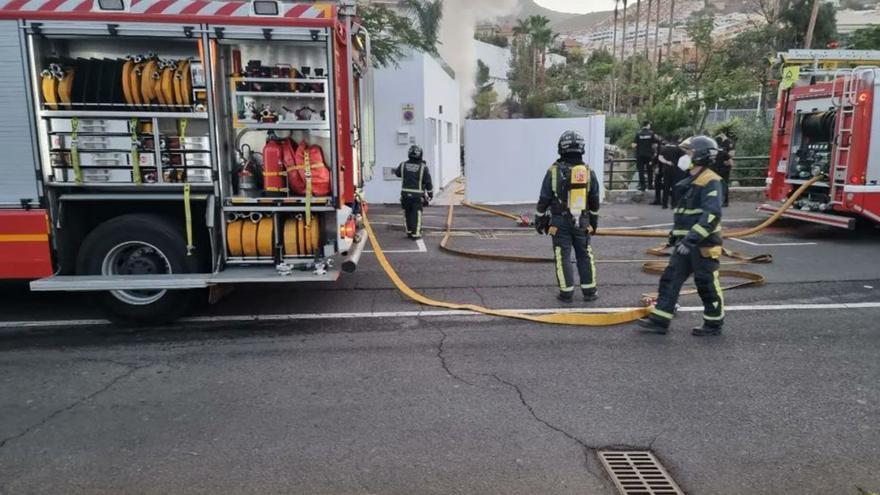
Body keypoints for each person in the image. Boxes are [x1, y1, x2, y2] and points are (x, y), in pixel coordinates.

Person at [637, 136, 726, 336]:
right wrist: (675, 237)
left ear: (701, 156)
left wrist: (691, 239)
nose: (685, 157)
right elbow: (686, 216)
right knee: (670, 279)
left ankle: (713, 323)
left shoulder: (711, 181)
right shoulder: (693, 181)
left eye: (689, 153)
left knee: (706, 283)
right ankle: (660, 320)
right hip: (685, 244)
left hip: (702, 245)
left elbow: (711, 215)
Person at [535, 130, 601, 303]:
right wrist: (593, 222)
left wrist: (539, 220)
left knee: (562, 255)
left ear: (561, 149)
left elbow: (544, 199)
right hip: (583, 221)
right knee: (584, 254)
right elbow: (594, 200)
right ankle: (589, 292)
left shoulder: (553, 171)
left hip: (559, 222)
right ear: (582, 149)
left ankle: (566, 293)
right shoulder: (588, 172)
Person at [394, 145, 433, 239]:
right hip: (417, 196)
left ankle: (409, 231)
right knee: (416, 214)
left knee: (407, 213)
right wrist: (430, 194)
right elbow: (428, 182)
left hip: (405, 195)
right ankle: (416, 234)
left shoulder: (403, 165)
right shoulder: (423, 167)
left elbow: (397, 173)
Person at [657, 136, 688, 209]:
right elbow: (685, 157)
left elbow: (660, 157)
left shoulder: (665, 147)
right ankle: (674, 204)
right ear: (678, 140)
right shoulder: (679, 148)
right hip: (675, 169)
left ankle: (664, 205)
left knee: (666, 187)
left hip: (666, 169)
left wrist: (667, 162)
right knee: (674, 187)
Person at [632, 121, 660, 191]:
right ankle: (650, 185)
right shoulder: (651, 133)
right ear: (647, 125)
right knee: (649, 170)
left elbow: (633, 145)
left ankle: (642, 186)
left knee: (641, 171)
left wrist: (639, 146)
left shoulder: (638, 133)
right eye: (650, 125)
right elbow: (655, 143)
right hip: (649, 155)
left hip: (640, 155)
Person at [714, 132, 735, 207]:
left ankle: (724, 201)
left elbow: (731, 156)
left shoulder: (729, 142)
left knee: (724, 185)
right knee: (720, 185)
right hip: (719, 169)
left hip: (723, 170)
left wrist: (726, 162)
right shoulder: (719, 150)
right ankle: (721, 201)